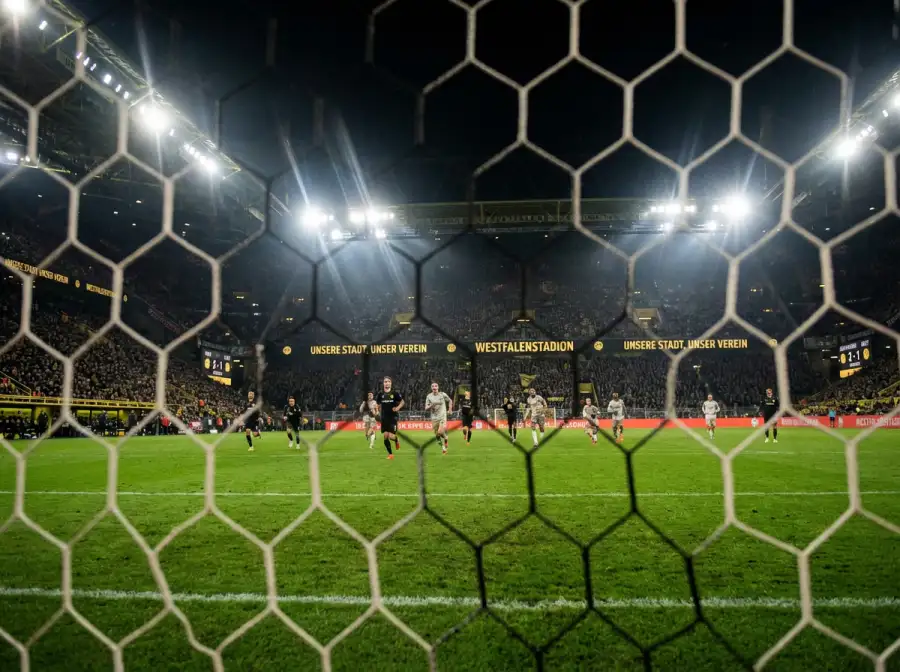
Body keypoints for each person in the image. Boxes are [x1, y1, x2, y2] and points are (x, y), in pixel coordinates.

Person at [375, 377, 404, 459]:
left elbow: (402, 401)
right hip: (384, 418)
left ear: (391, 383)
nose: (387, 383)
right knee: (385, 436)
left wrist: (398, 408)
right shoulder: (380, 394)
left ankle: (396, 439)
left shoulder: (394, 393)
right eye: (385, 382)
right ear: (383, 383)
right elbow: (378, 404)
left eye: (388, 381)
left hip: (393, 417)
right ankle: (390, 454)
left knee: (391, 436)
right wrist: (377, 410)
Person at [425, 382, 452, 454]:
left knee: (440, 432)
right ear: (431, 388)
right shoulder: (429, 396)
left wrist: (450, 409)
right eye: (433, 386)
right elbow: (426, 408)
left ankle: (445, 438)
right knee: (437, 435)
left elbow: (450, 400)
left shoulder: (442, 394)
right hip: (434, 418)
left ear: (438, 387)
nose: (434, 387)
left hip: (442, 416)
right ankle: (443, 445)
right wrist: (431, 405)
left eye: (436, 386)